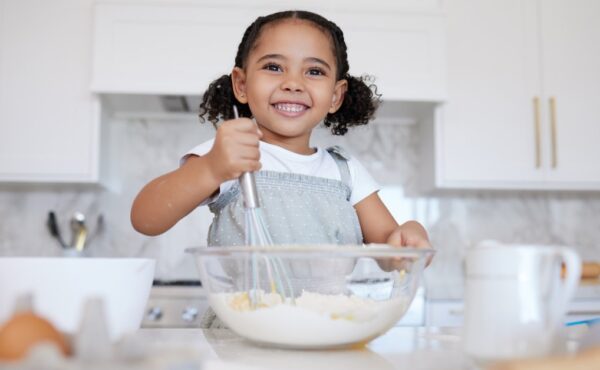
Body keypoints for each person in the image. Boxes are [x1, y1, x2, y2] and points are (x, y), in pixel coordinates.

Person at [131, 10, 432, 256]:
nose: (293, 83)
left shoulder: (345, 173)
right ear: (242, 85)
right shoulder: (230, 154)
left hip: (328, 326)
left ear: (336, 96)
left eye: (314, 71)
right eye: (274, 67)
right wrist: (211, 167)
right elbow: (146, 218)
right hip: (244, 327)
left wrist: (409, 235)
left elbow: (390, 247)